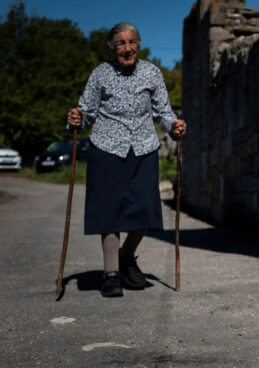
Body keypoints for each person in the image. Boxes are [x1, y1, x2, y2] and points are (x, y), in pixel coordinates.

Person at [67, 23, 187, 298]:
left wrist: (174, 125)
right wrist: (76, 118)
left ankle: (126, 256)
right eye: (120, 43)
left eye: (132, 42)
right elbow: (85, 112)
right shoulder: (100, 74)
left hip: (144, 148)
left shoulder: (152, 72)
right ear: (111, 48)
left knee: (145, 210)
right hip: (107, 148)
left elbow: (163, 111)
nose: (127, 48)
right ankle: (110, 274)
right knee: (110, 212)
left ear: (140, 44)